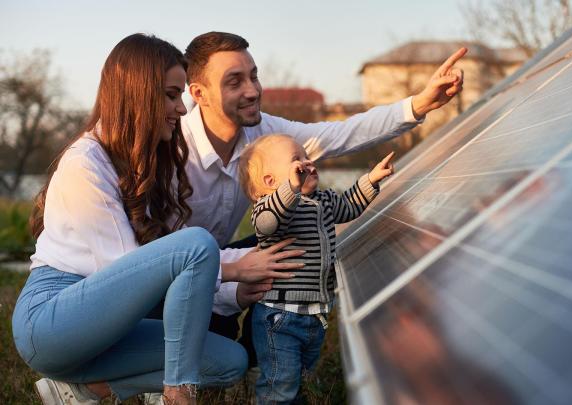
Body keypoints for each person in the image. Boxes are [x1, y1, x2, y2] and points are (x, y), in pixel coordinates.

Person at [11, 34, 291, 405]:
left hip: (108, 324)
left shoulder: (144, 162)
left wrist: (232, 291)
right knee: (196, 243)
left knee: (228, 362)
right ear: (139, 94)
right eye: (171, 95)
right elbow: (133, 271)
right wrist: (236, 269)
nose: (181, 109)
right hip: (52, 322)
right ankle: (179, 393)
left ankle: (83, 390)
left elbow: (158, 271)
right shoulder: (85, 164)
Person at [178, 31, 467, 346]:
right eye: (235, 82)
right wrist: (232, 279)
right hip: (168, 279)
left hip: (221, 263)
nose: (252, 91)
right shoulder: (173, 149)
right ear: (200, 93)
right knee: (217, 357)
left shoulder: (264, 131)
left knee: (295, 238)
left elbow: (340, 134)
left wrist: (419, 104)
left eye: (254, 76)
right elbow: (151, 257)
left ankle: (264, 349)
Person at [238, 134, 394, 403]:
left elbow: (348, 206)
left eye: (305, 155)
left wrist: (370, 181)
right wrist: (291, 190)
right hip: (280, 317)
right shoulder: (269, 210)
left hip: (316, 314)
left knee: (299, 379)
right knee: (281, 384)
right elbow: (267, 224)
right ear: (270, 183)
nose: (307, 162)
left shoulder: (323, 200)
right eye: (296, 160)